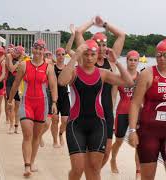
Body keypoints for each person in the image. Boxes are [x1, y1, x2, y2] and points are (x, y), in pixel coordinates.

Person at [58, 40, 133, 180]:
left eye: (93, 54)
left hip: (98, 125)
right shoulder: (74, 72)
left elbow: (129, 82)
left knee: (94, 169)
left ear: (97, 55)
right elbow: (61, 81)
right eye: (86, 54)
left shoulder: (103, 73)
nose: (89, 58)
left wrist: (116, 62)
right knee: (77, 169)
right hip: (76, 124)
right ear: (82, 55)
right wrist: (74, 56)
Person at [75, 16, 126, 168]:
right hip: (89, 112)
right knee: (90, 152)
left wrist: (104, 24)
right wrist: (91, 21)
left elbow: (122, 35)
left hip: (107, 112)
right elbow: (78, 33)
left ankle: (93, 172)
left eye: (105, 44)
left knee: (107, 151)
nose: (103, 48)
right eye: (99, 45)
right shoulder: (86, 61)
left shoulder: (110, 61)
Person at [7, 39, 58, 177]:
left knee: (36, 136)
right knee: (27, 135)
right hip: (27, 103)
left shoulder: (48, 67)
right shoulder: (24, 64)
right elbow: (16, 83)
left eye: (41, 49)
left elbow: (53, 86)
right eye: (36, 48)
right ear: (32, 49)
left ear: (44, 51)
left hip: (42, 104)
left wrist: (54, 102)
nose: (38, 51)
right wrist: (10, 100)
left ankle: (33, 161)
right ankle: (27, 165)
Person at [129, 39, 166, 180]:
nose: (161, 58)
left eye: (165, 55)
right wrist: (132, 130)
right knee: (148, 176)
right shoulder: (148, 74)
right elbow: (135, 103)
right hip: (149, 132)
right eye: (158, 55)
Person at [109, 50, 141, 178]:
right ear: (126, 61)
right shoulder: (119, 77)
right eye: (130, 60)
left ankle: (138, 171)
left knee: (138, 143)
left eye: (135, 60)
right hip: (122, 112)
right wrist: (110, 115)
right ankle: (113, 159)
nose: (132, 62)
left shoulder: (141, 77)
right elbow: (113, 97)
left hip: (137, 114)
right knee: (119, 141)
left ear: (138, 62)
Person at [50, 47, 71, 148]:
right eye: (58, 54)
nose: (61, 56)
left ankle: (61, 134)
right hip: (54, 96)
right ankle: (55, 140)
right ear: (56, 55)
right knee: (54, 120)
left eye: (63, 54)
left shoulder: (67, 68)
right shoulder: (52, 68)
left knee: (65, 120)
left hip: (65, 96)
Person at [6, 45, 25, 134]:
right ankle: (10, 125)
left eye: (17, 53)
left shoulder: (23, 59)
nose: (14, 53)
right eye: (15, 51)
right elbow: (11, 69)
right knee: (11, 105)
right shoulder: (9, 56)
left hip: (19, 84)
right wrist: (19, 62)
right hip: (10, 83)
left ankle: (16, 126)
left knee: (18, 107)